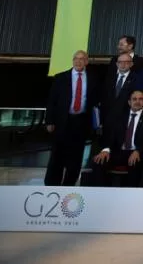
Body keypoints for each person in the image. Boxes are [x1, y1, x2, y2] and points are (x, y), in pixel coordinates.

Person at [45, 50, 98, 186]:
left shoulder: (93, 78)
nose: (78, 61)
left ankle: (69, 185)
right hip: (63, 121)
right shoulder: (60, 78)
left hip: (81, 122)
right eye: (76, 58)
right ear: (72, 60)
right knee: (57, 155)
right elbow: (52, 101)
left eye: (82, 59)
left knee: (76, 157)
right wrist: (49, 121)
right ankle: (52, 185)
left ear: (86, 61)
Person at [89, 89, 143, 187]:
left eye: (140, 99)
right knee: (99, 161)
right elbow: (110, 134)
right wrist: (106, 150)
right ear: (129, 102)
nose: (137, 102)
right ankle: (100, 194)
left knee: (135, 164)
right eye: (134, 99)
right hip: (119, 151)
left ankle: (130, 197)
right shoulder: (120, 116)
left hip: (137, 152)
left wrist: (138, 150)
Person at [100, 52, 135, 127]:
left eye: (126, 62)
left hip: (125, 121)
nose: (122, 64)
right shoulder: (109, 78)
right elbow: (104, 99)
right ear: (116, 64)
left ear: (131, 64)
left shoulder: (136, 79)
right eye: (120, 62)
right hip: (108, 120)